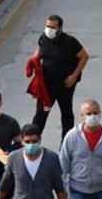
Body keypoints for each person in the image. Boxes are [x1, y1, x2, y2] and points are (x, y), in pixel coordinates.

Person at [29, 15, 89, 144]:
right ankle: (32, 141)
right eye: (47, 26)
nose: (49, 29)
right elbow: (39, 51)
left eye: (52, 27)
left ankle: (66, 144)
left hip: (65, 85)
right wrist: (34, 60)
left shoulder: (70, 42)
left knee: (66, 113)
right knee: (41, 113)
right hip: (47, 86)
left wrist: (74, 76)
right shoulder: (43, 38)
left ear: (60, 28)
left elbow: (84, 57)